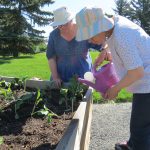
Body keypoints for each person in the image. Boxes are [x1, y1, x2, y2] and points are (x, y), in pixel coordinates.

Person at [75, 7, 150, 150]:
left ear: (101, 27)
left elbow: (136, 72)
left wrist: (115, 88)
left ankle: (138, 145)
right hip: (144, 81)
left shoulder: (122, 36)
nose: (90, 40)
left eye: (91, 35)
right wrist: (106, 50)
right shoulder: (115, 23)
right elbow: (113, 38)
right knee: (139, 121)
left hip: (147, 82)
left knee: (141, 127)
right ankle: (132, 145)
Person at [46, 7, 106, 87]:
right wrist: (55, 77)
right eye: (59, 26)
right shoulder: (53, 35)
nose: (62, 28)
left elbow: (102, 44)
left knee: (84, 98)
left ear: (71, 20)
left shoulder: (84, 31)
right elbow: (51, 57)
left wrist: (105, 50)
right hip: (60, 79)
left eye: (65, 24)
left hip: (83, 78)